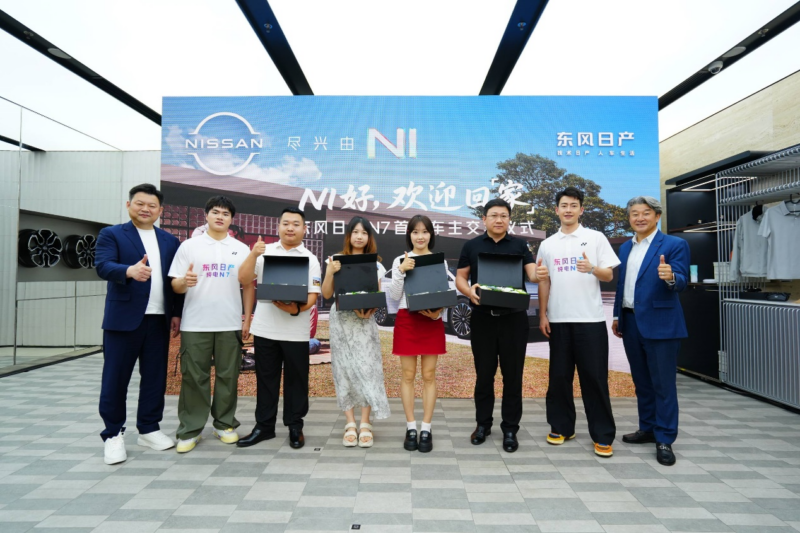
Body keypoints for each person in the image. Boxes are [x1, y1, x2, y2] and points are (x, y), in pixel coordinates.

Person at [95, 183, 184, 465]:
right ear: (129, 205)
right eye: (140, 204)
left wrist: (176, 312)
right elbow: (102, 266)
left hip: (159, 320)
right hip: (123, 321)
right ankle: (112, 434)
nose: (146, 209)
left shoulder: (170, 241)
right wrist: (129, 271)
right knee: (115, 379)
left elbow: (174, 280)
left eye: (152, 205)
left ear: (160, 210)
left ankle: (148, 428)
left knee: (155, 378)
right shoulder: (112, 234)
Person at [533, 187, 620, 458]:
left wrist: (591, 268)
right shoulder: (548, 244)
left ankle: (602, 435)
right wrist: (543, 314)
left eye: (573, 205)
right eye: (564, 205)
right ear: (556, 210)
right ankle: (561, 427)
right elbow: (544, 281)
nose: (568, 210)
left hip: (590, 321)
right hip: (558, 320)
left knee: (594, 379)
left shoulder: (595, 238)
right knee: (559, 378)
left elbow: (608, 276)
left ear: (581, 210)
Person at [168, 196, 254, 453]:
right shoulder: (189, 246)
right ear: (206, 215)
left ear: (231, 219)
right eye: (215, 212)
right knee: (194, 377)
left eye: (225, 214)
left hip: (229, 322)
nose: (220, 217)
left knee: (228, 375)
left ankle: (224, 424)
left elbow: (248, 285)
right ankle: (190, 430)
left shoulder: (241, 249)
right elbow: (175, 284)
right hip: (195, 323)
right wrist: (184, 282)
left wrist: (247, 318)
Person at [612, 196, 689, 466]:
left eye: (646, 213)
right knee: (642, 382)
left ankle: (665, 438)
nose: (640, 218)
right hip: (630, 321)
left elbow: (682, 280)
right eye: (634, 213)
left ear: (657, 216)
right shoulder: (625, 247)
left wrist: (671, 277)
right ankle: (647, 428)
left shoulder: (674, 244)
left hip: (661, 324)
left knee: (663, 385)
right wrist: (617, 315)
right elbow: (622, 284)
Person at [236, 207, 321, 449]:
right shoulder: (264, 252)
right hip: (265, 329)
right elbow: (243, 279)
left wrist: (295, 309)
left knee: (297, 381)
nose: (290, 228)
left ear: (305, 229)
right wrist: (254, 254)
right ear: (278, 227)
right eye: (286, 223)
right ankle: (264, 427)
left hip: (296, 331)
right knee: (266, 380)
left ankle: (295, 426)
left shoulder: (310, 259)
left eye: (296, 224)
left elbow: (312, 296)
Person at [456, 198, 535, 453]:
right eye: (494, 215)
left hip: (514, 320)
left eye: (504, 215)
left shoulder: (520, 245)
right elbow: (461, 277)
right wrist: (468, 292)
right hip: (483, 319)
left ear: (509, 219)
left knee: (513, 377)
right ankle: (483, 425)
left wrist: (540, 273)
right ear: (484, 219)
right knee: (484, 376)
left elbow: (532, 273)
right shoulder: (471, 245)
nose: (499, 220)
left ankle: (510, 429)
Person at [322, 216, 391, 448]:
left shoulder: (376, 264)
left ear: (369, 237)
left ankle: (365, 423)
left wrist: (367, 311)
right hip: (341, 321)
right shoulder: (335, 260)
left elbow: (376, 296)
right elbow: (326, 294)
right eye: (355, 232)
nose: (359, 236)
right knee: (344, 370)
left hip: (364, 321)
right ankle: (350, 423)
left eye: (364, 232)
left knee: (368, 369)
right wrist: (330, 271)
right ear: (348, 235)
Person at [387, 215, 446, 453]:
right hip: (407, 320)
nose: (420, 236)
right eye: (415, 232)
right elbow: (394, 296)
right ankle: (411, 426)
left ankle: (426, 428)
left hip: (431, 322)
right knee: (408, 375)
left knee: (429, 375)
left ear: (431, 234)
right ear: (409, 235)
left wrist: (438, 313)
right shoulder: (399, 260)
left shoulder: (438, 261)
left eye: (424, 231)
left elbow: (443, 293)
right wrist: (402, 270)